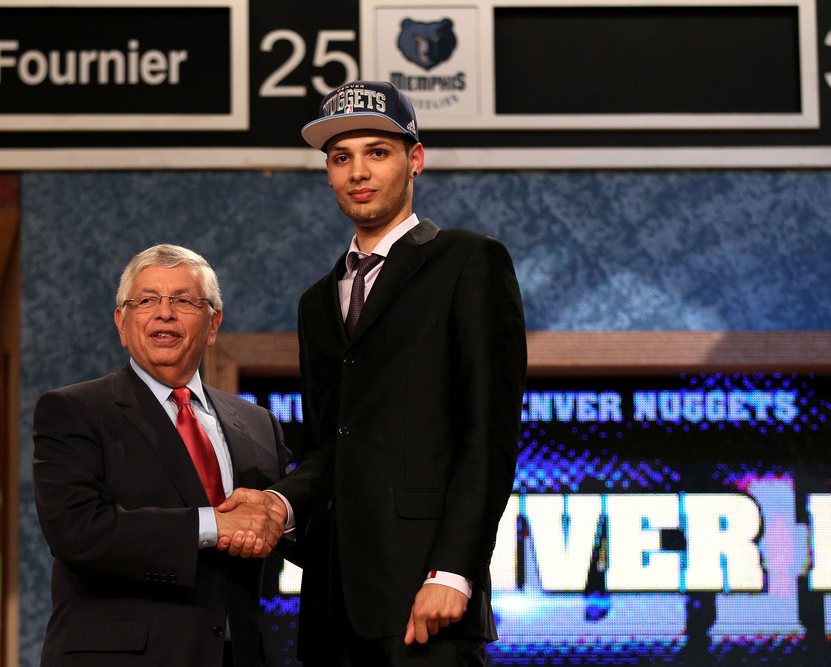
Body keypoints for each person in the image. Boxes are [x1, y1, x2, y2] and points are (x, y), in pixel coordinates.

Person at [220, 81, 528, 665]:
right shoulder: (318, 301)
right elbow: (326, 450)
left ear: (414, 160)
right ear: (329, 174)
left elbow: (487, 436)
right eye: (341, 158)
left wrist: (455, 571)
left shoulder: (469, 261)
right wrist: (278, 505)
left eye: (377, 152)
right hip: (331, 609)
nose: (358, 171)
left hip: (425, 601)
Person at [33, 244, 293, 667]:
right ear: (122, 322)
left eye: (184, 301)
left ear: (213, 325)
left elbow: (288, 522)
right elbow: (76, 530)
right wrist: (213, 523)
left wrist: (280, 511)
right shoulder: (74, 411)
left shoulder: (259, 422)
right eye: (147, 300)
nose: (164, 313)